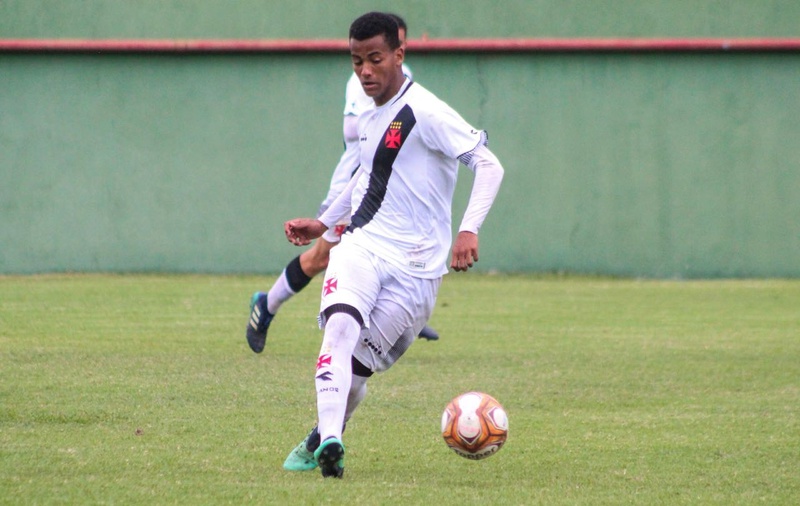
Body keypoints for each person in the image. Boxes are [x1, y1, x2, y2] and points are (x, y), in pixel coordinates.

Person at [281, 12, 505, 478]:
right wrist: (324, 222)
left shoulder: (426, 111)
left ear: (399, 54)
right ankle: (333, 441)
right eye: (357, 61)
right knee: (338, 329)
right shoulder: (368, 115)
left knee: (358, 371)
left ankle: (320, 437)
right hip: (362, 245)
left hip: (418, 269)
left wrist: (469, 229)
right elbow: (365, 173)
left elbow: (488, 165)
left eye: (375, 59)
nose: (365, 71)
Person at [246, 14, 439, 355]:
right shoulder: (363, 79)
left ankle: (401, 312)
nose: (392, 55)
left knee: (396, 246)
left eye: (400, 46)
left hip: (390, 191)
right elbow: (352, 129)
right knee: (322, 256)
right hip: (354, 186)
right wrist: (381, 123)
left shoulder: (407, 81)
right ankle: (267, 304)